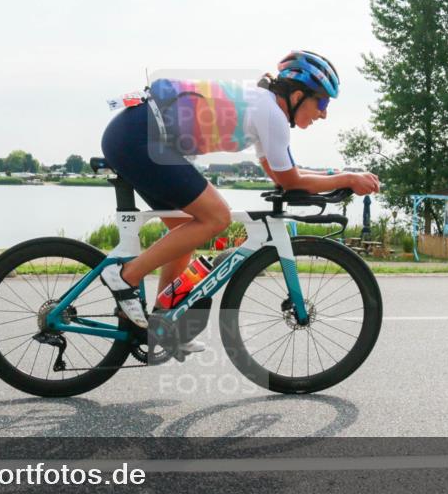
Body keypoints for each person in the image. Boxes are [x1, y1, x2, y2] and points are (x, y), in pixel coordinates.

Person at [99, 50, 381, 334]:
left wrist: (339, 177)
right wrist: (346, 178)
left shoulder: (265, 108)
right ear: (297, 96)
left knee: (185, 230)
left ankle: (160, 325)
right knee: (217, 217)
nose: (324, 113)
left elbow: (283, 175)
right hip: (141, 136)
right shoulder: (271, 115)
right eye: (321, 101)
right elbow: (293, 181)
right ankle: (126, 277)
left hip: (138, 133)